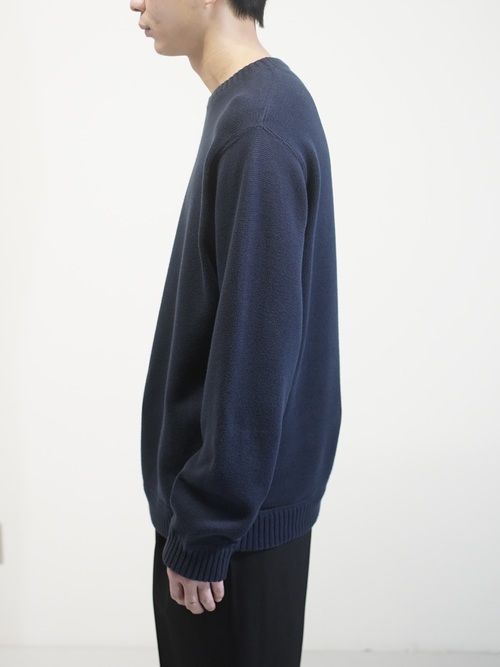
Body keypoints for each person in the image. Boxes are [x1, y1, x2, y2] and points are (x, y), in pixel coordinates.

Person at [130, 0, 342, 665]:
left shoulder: (259, 126)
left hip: (229, 543)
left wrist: (206, 525)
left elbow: (256, 353)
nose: (135, 3)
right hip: (235, 525)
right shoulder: (251, 107)